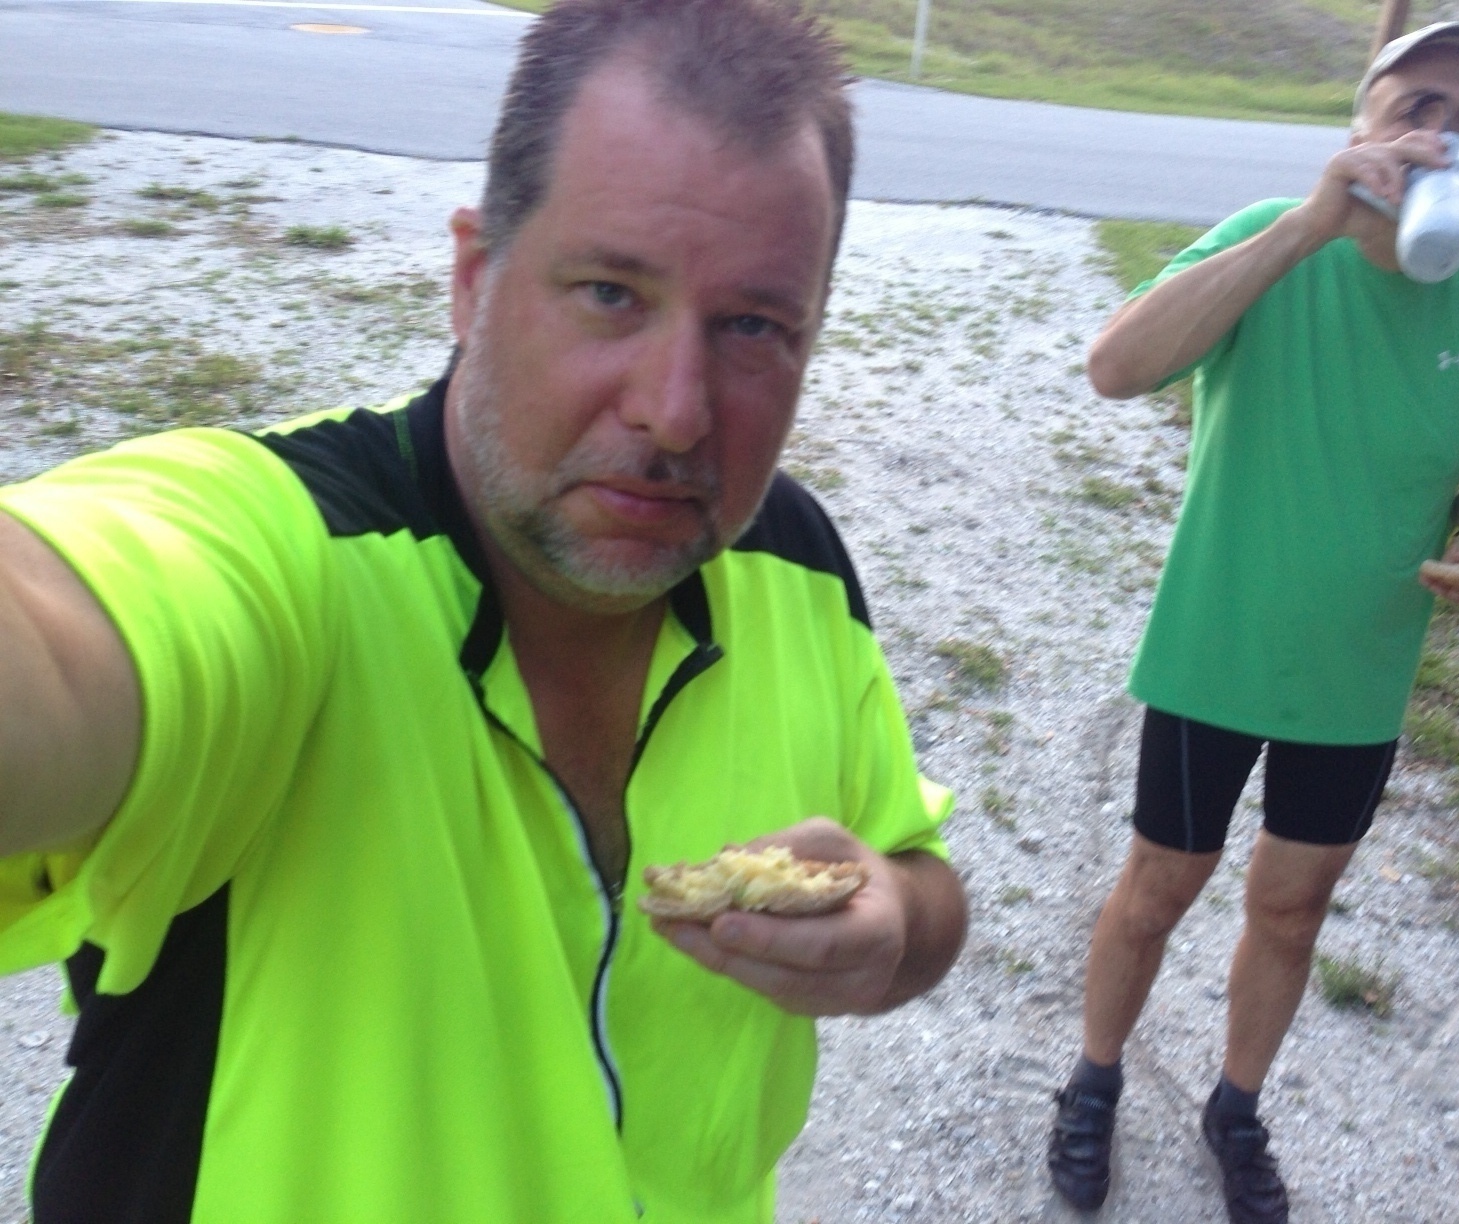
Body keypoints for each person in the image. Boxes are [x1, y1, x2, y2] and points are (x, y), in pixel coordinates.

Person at [0, 2, 968, 1220]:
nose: (676, 410)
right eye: (611, 292)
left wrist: (892, 926)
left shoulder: (792, 560)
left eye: (753, 326)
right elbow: (55, 648)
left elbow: (916, 877)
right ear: (472, 279)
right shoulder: (293, 557)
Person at [1047, 21, 1459, 1224]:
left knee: (1292, 905)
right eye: (1418, 104)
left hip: (1360, 669)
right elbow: (1116, 367)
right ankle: (1094, 1079)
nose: (1446, 133)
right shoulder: (1272, 238)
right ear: (1362, 123)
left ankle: (1236, 1108)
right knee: (1159, 885)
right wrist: (1306, 226)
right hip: (1217, 646)